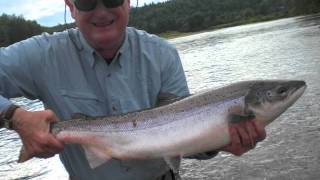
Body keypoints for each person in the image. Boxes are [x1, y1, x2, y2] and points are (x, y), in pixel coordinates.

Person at [0, 0, 266, 179]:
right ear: (70, 6)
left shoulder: (163, 55)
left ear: (129, 1)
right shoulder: (41, 55)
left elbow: (180, 138)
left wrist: (218, 141)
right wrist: (15, 116)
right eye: (87, 0)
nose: (101, 11)